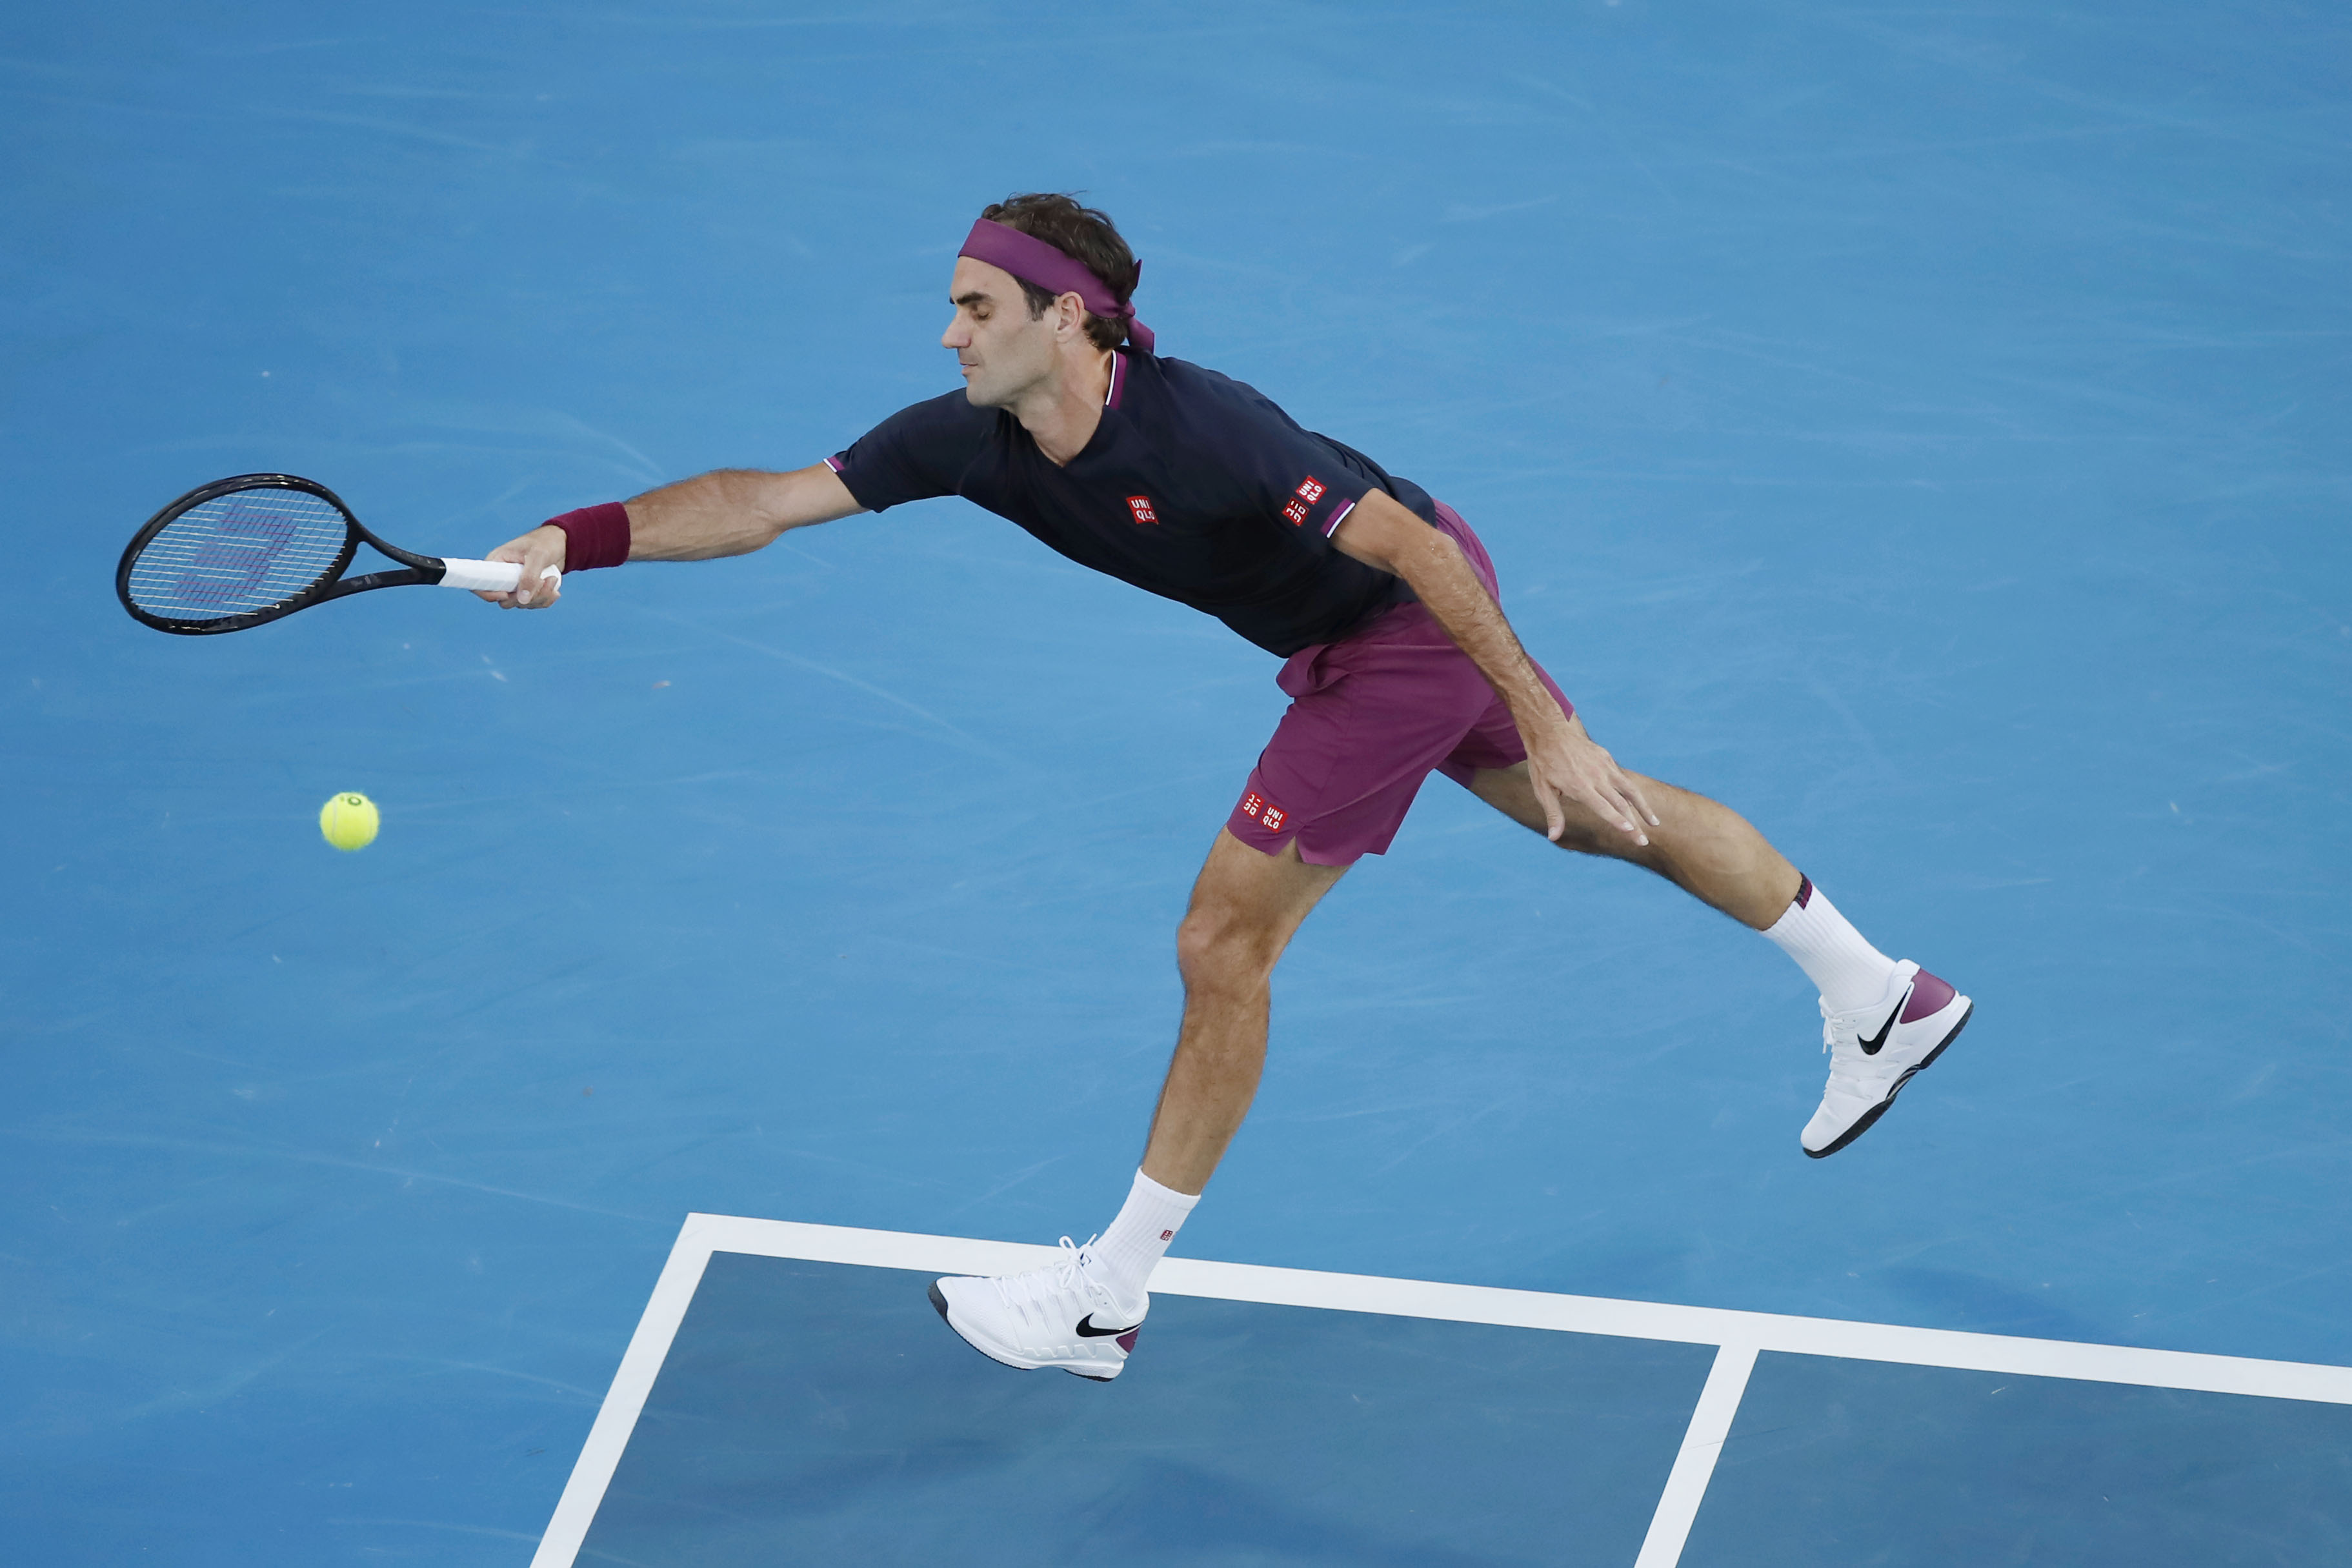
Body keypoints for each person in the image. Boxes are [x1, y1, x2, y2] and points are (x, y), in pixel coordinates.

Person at [478, 193, 1972, 1383]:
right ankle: (1877, 991)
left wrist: (1531, 705)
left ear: (1065, 317)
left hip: (1396, 624)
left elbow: (1417, 554)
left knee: (1223, 944)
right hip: (1350, 636)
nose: (946, 335)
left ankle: (1103, 1296)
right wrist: (576, 535)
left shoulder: (1203, 425)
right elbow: (762, 502)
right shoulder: (973, 443)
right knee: (1588, 817)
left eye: (975, 308)